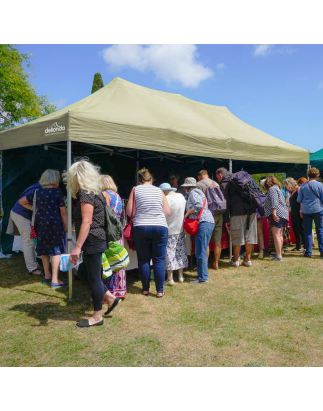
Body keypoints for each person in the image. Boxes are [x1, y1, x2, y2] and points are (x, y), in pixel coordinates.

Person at [65, 160, 120, 327]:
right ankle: (111, 298)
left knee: (94, 278)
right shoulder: (96, 192)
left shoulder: (86, 194)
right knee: (85, 273)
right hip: (97, 238)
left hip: (93, 240)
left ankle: (97, 317)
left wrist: (77, 247)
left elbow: (87, 222)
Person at [19, 170, 68, 286]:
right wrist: (66, 226)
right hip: (54, 223)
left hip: (40, 223)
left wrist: (35, 210)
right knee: (56, 251)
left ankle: (47, 276)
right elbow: (63, 212)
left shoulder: (37, 192)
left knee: (44, 250)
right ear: (55, 179)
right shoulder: (57, 192)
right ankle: (55, 280)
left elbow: (21, 202)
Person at [127, 168, 170, 297]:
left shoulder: (135, 189)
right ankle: (159, 290)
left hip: (141, 226)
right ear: (151, 180)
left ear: (140, 181)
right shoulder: (159, 190)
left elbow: (130, 212)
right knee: (159, 259)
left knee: (144, 260)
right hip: (160, 226)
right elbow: (167, 212)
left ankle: (145, 289)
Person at [217, 168, 258, 268]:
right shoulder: (247, 179)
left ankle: (235, 260)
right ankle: (248, 260)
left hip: (236, 212)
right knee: (249, 237)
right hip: (251, 211)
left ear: (222, 175)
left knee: (237, 237)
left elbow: (225, 202)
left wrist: (226, 219)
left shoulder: (227, 183)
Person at [181, 177, 215, 283]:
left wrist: (186, 214)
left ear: (187, 187)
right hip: (207, 222)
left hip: (203, 222)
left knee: (200, 251)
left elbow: (198, 206)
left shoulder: (193, 193)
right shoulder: (198, 192)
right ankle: (202, 276)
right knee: (201, 250)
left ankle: (203, 278)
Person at [100, 174, 127, 299]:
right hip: (117, 232)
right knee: (118, 261)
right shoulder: (118, 196)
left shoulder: (104, 196)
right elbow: (121, 217)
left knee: (108, 262)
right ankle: (120, 290)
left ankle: (109, 292)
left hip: (107, 233)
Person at [10, 181, 43, 275]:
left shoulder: (37, 186)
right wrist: (36, 209)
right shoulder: (38, 189)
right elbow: (22, 202)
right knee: (28, 241)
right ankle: (32, 268)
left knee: (31, 240)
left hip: (21, 214)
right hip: (21, 215)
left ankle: (34, 264)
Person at [159, 183, 188, 285]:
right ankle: (181, 276)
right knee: (180, 252)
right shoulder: (181, 197)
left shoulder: (165, 199)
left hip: (169, 230)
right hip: (180, 228)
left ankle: (170, 278)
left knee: (169, 253)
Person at [196, 170, 223, 269]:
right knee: (217, 241)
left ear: (199, 176)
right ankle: (216, 263)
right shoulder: (216, 183)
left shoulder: (199, 184)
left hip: (207, 215)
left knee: (205, 241)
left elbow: (198, 202)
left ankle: (205, 265)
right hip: (219, 213)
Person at [297, 167, 323, 258]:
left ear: (308, 175)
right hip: (318, 209)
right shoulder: (320, 185)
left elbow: (299, 199)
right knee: (320, 230)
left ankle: (308, 252)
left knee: (307, 231)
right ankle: (322, 250)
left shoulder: (303, 186)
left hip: (306, 210)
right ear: (317, 175)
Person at [264, 176, 289, 261]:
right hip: (283, 214)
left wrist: (274, 213)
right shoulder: (277, 189)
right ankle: (279, 254)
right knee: (280, 235)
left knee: (276, 235)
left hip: (277, 214)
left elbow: (274, 201)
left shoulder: (272, 189)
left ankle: (278, 256)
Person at [285, 177, 304, 251]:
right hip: (293, 212)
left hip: (298, 211)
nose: (286, 188)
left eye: (286, 186)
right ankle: (298, 245)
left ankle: (305, 246)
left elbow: (301, 200)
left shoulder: (298, 189)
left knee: (301, 228)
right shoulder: (291, 192)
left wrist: (301, 211)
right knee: (295, 229)